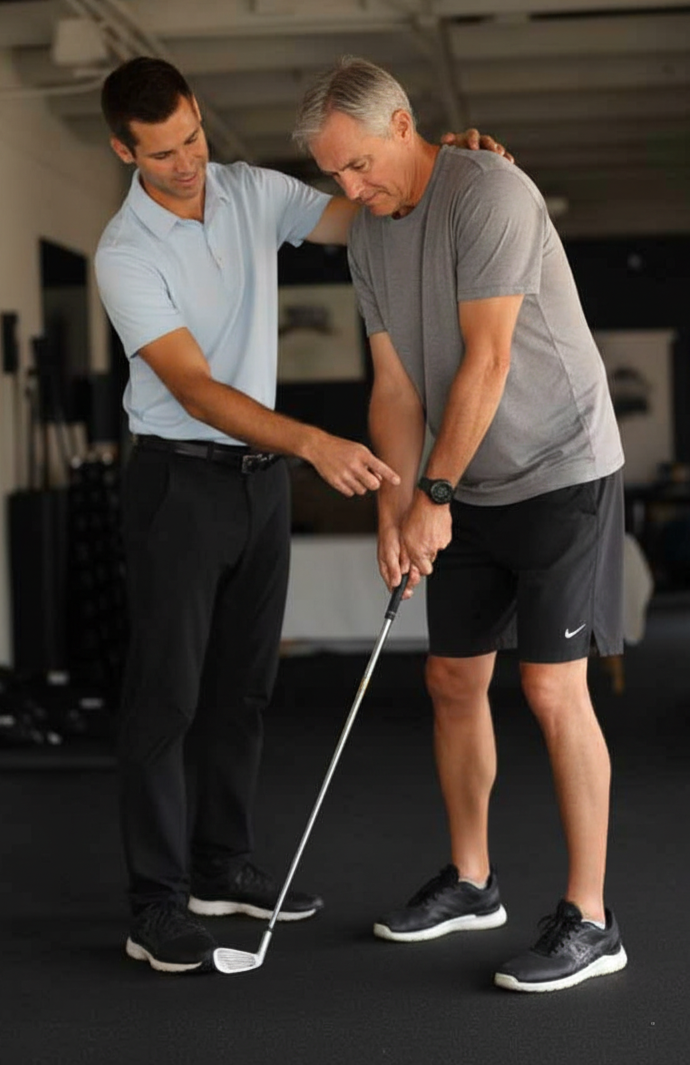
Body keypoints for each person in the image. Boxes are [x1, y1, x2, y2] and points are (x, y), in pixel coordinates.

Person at [94, 56, 507, 974]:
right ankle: (155, 904)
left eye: (193, 138)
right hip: (178, 481)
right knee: (167, 696)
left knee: (245, 684)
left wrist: (449, 166)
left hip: (259, 484)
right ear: (126, 149)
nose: (188, 162)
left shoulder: (247, 190)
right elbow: (196, 390)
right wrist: (313, 442)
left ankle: (220, 865)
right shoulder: (124, 252)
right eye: (162, 153)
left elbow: (368, 203)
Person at [294, 56, 629, 994]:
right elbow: (397, 385)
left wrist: (433, 496)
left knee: (553, 689)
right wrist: (402, 504)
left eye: (359, 164)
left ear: (402, 123)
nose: (351, 189)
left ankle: (593, 918)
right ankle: (474, 880)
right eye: (336, 176)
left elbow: (484, 362)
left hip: (563, 465)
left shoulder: (491, 193)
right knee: (451, 678)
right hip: (465, 477)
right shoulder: (369, 235)